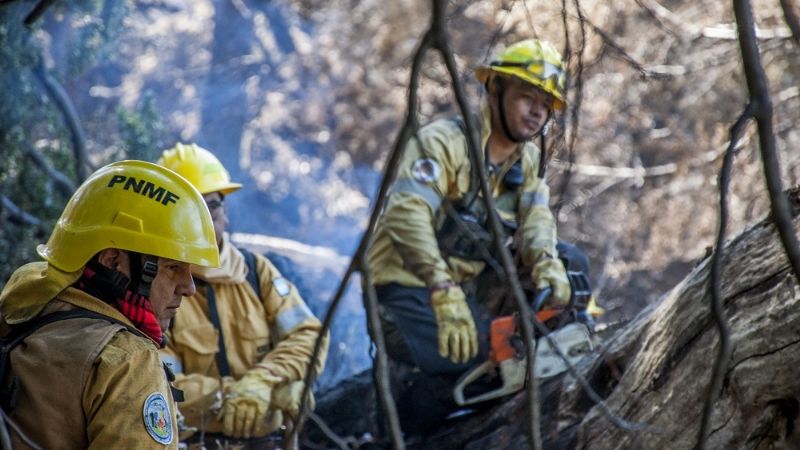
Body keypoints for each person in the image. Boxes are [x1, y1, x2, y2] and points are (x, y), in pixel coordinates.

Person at [366, 38, 581, 434]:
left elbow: (536, 218)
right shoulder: (442, 143)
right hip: (405, 290)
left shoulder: (528, 160)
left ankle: (514, 359)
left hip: (469, 290)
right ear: (495, 90)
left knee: (573, 266)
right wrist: (442, 289)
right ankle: (401, 421)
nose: (537, 111)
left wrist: (548, 266)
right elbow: (405, 216)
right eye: (526, 97)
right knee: (474, 353)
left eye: (545, 104)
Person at [0, 160, 220, 449]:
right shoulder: (126, 361)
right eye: (172, 267)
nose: (189, 287)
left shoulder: (25, 306)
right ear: (113, 261)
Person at [156, 143, 328, 445]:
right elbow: (160, 384)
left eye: (214, 205)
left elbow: (310, 335)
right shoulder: (160, 285)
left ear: (226, 212)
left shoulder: (255, 270)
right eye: (195, 207)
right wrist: (236, 395)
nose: (208, 217)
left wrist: (265, 378)